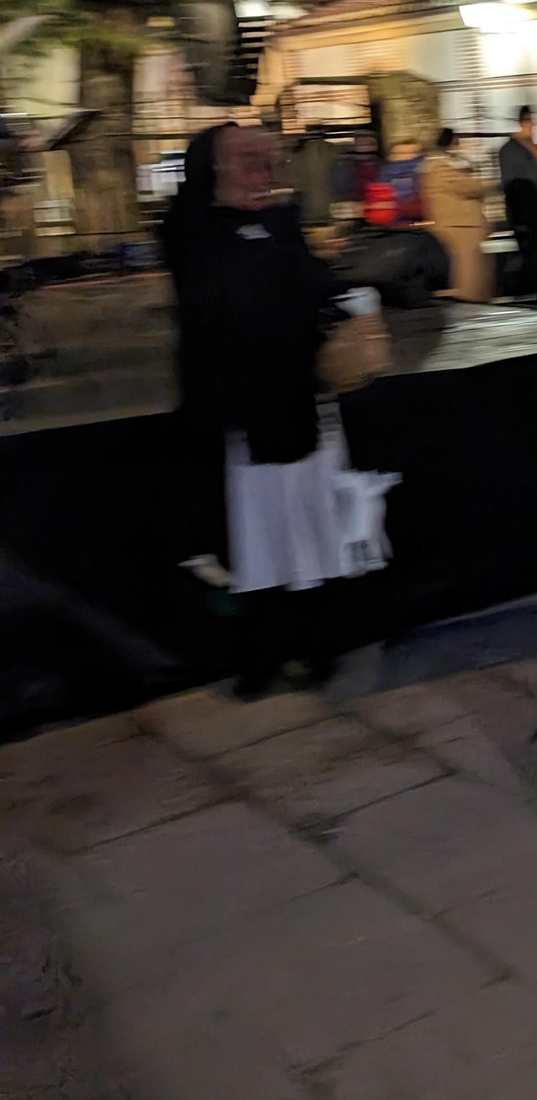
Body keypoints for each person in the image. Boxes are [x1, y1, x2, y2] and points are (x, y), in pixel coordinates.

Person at [162, 122, 355, 694]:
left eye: (267, 161)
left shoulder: (280, 222)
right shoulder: (193, 230)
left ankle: (316, 646)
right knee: (250, 540)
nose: (262, 173)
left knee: (302, 529)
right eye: (246, 161)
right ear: (213, 171)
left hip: (292, 401)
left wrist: (347, 301)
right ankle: (259, 656)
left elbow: (314, 283)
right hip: (234, 412)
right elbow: (220, 301)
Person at [420, 128, 493, 302]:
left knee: (466, 269)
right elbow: (469, 186)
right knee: (467, 272)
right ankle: (469, 303)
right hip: (459, 225)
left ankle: (469, 300)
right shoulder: (441, 166)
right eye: (458, 143)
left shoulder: (436, 165)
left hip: (458, 224)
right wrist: (486, 183)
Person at [497, 105, 537, 305]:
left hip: (534, 210)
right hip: (523, 211)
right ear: (523, 124)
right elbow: (514, 185)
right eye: (531, 124)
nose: (534, 129)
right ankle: (530, 291)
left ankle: (535, 289)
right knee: (530, 253)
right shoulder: (510, 150)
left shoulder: (528, 147)